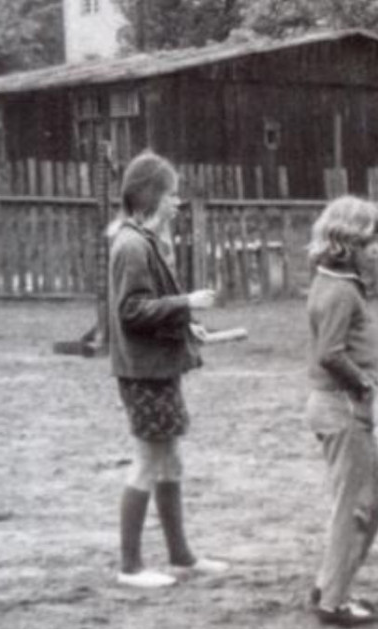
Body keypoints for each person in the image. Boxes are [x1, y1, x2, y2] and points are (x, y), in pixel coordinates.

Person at [107, 150, 229, 589]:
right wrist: (186, 302)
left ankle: (181, 556)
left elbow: (146, 310)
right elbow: (131, 311)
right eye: (172, 194)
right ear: (151, 196)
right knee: (147, 459)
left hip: (158, 367)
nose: (177, 203)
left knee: (170, 458)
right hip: (143, 373)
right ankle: (130, 566)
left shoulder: (143, 240)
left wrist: (184, 322)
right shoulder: (132, 245)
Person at [304, 196, 378, 628]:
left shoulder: (332, 281)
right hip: (342, 406)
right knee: (355, 503)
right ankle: (334, 601)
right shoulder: (340, 290)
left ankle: (330, 582)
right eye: (373, 243)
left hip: (338, 406)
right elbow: (329, 353)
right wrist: (361, 382)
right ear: (350, 242)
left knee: (376, 497)